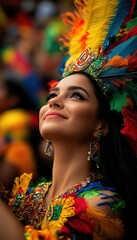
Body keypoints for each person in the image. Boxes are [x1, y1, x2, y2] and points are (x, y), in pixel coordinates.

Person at [0, 0, 137, 239]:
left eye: (76, 95)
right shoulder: (27, 196)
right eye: (53, 94)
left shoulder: (101, 203)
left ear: (100, 125)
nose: (54, 101)